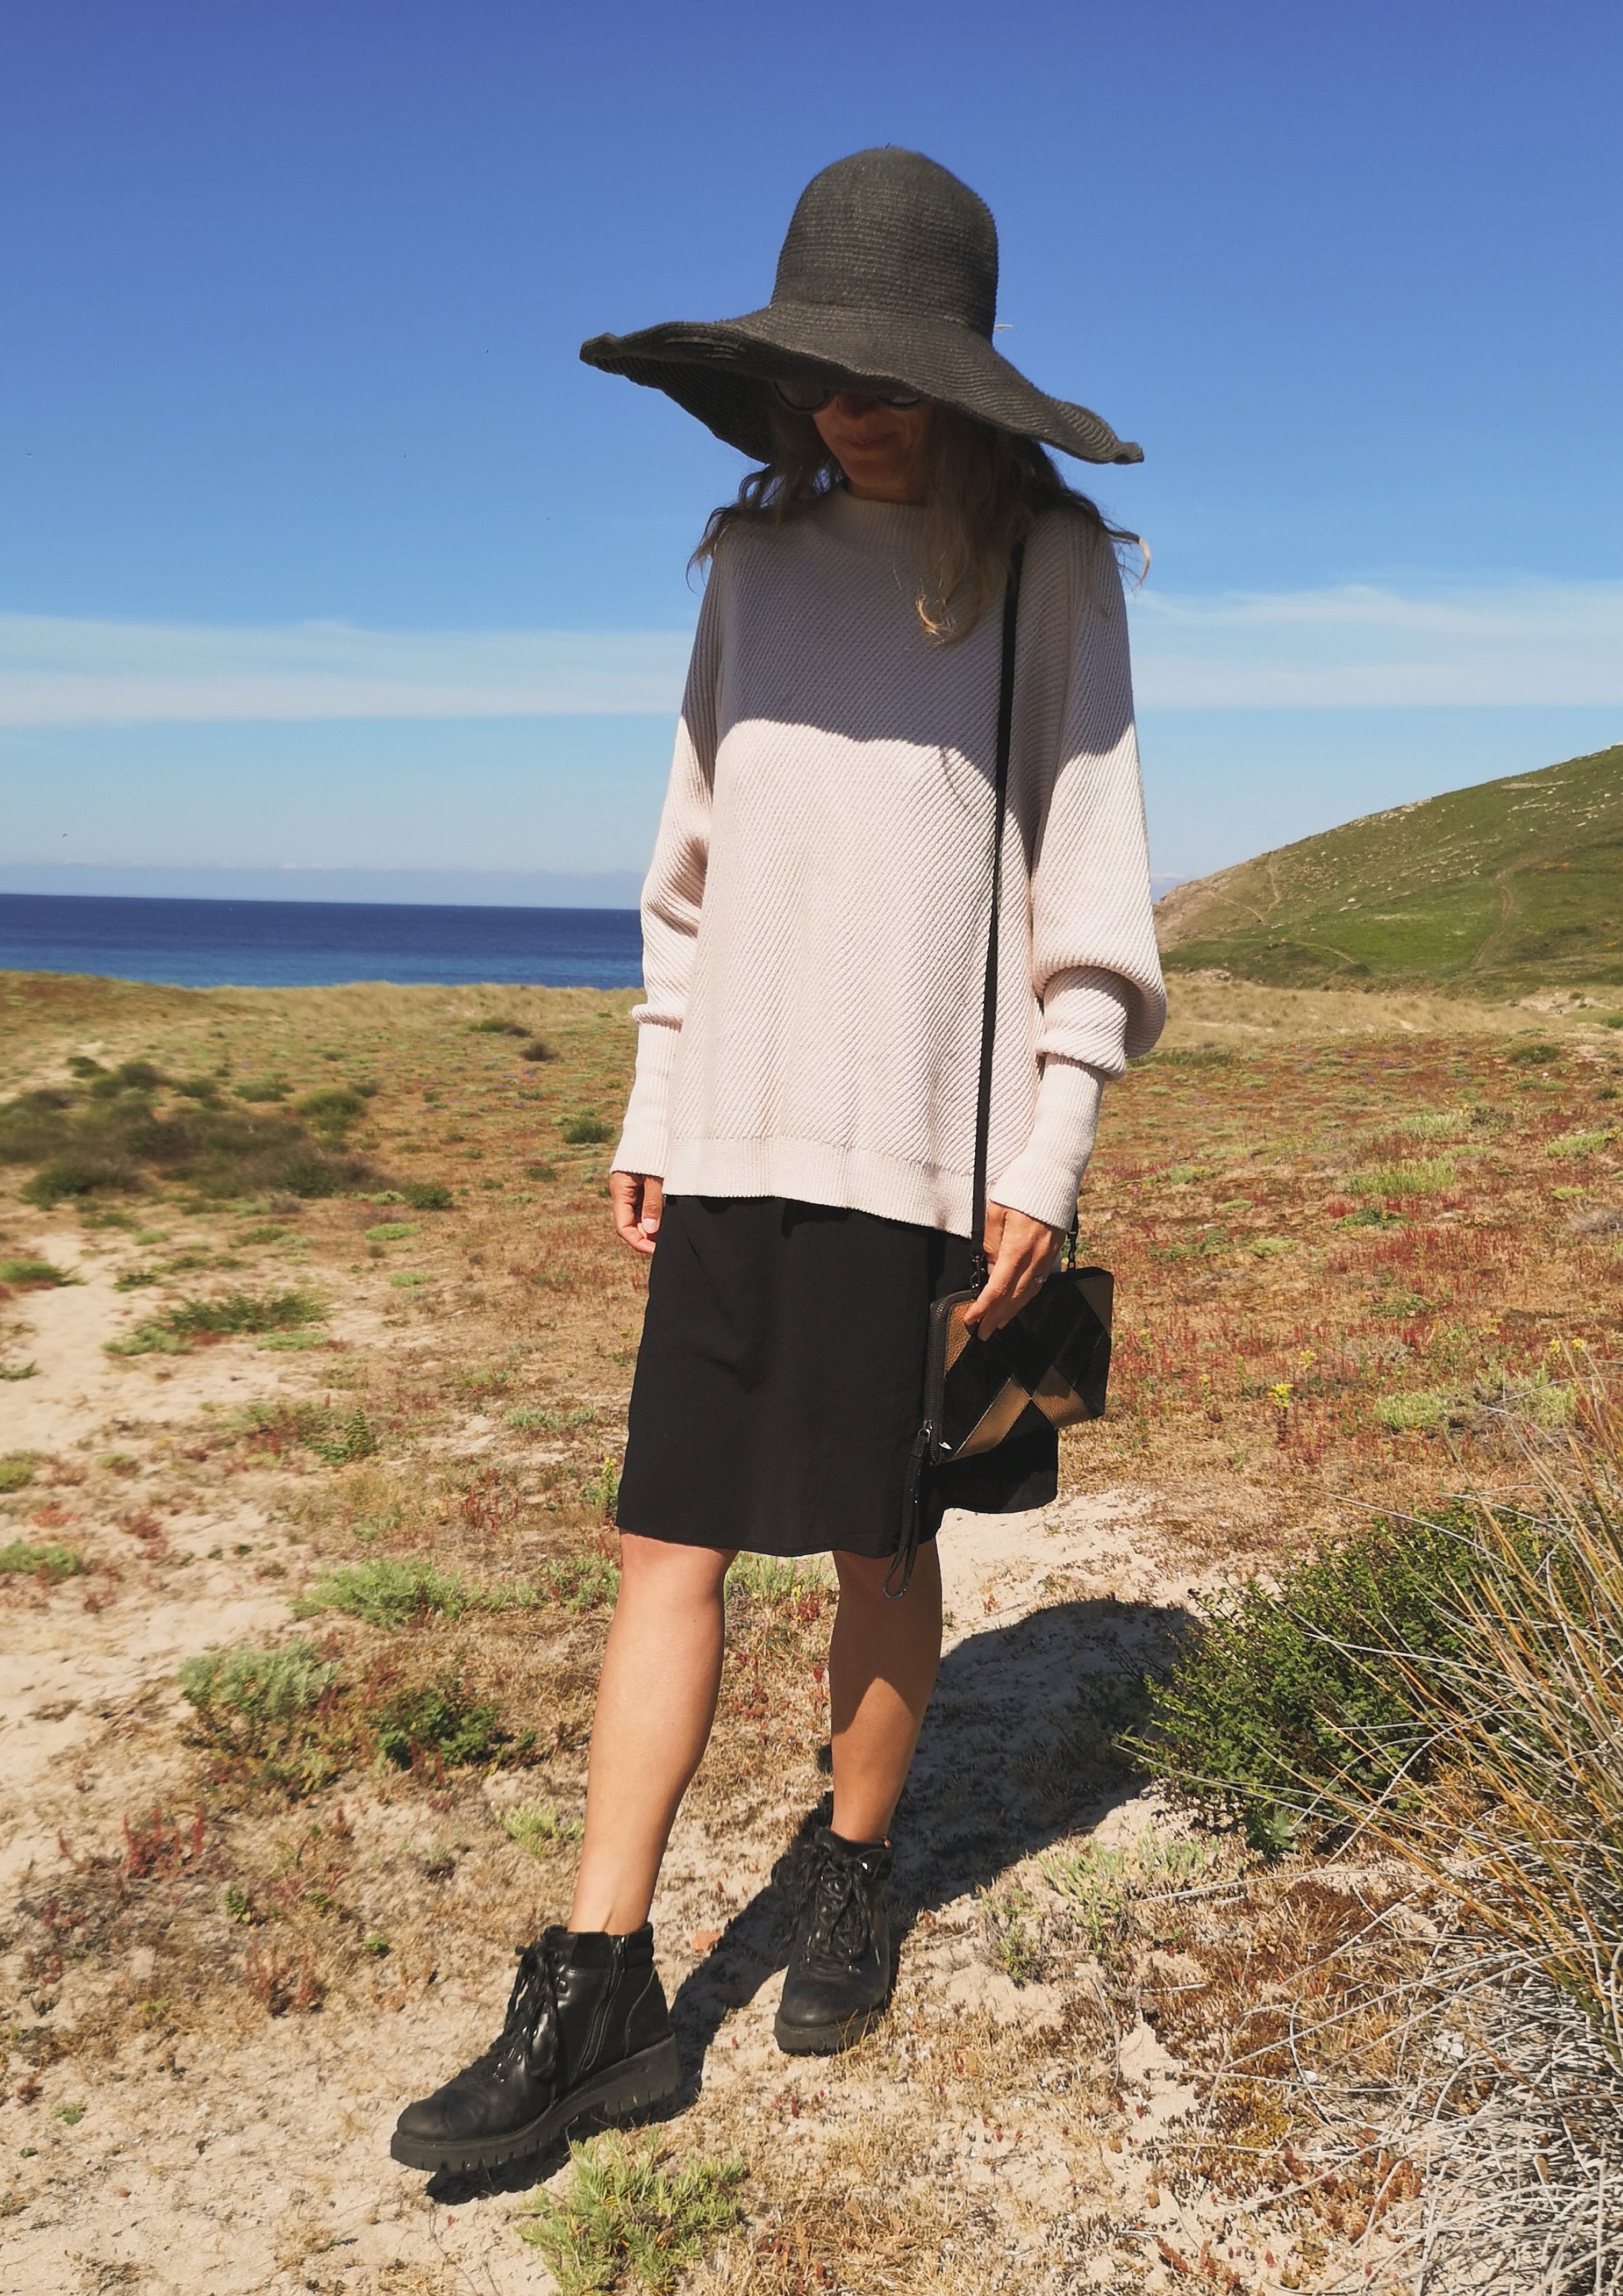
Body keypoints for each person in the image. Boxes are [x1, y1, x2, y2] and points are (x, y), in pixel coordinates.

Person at [392, 145, 1165, 2177]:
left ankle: (850, 1866)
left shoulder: (1049, 571)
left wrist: (1053, 1144)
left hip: (926, 1150)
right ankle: (598, 1981)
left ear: (963, 378)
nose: (853, 404)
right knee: (667, 1543)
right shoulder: (749, 570)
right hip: (735, 1131)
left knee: (878, 1546)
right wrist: (659, 1100)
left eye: (892, 371)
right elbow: (692, 873)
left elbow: (1090, 887)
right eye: (825, 367)